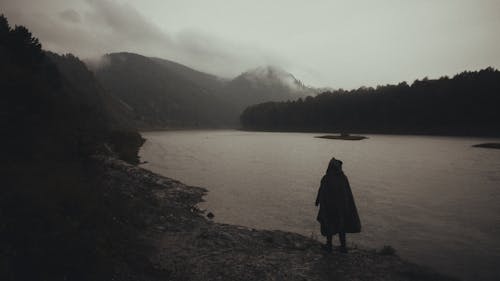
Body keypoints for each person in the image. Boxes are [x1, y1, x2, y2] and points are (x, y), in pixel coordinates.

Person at [315, 157, 361, 253]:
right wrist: (346, 207)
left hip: (330, 208)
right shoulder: (342, 178)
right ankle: (343, 247)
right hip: (341, 208)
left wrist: (318, 201)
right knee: (341, 227)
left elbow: (322, 191)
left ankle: (329, 246)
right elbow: (347, 194)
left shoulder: (327, 178)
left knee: (329, 226)